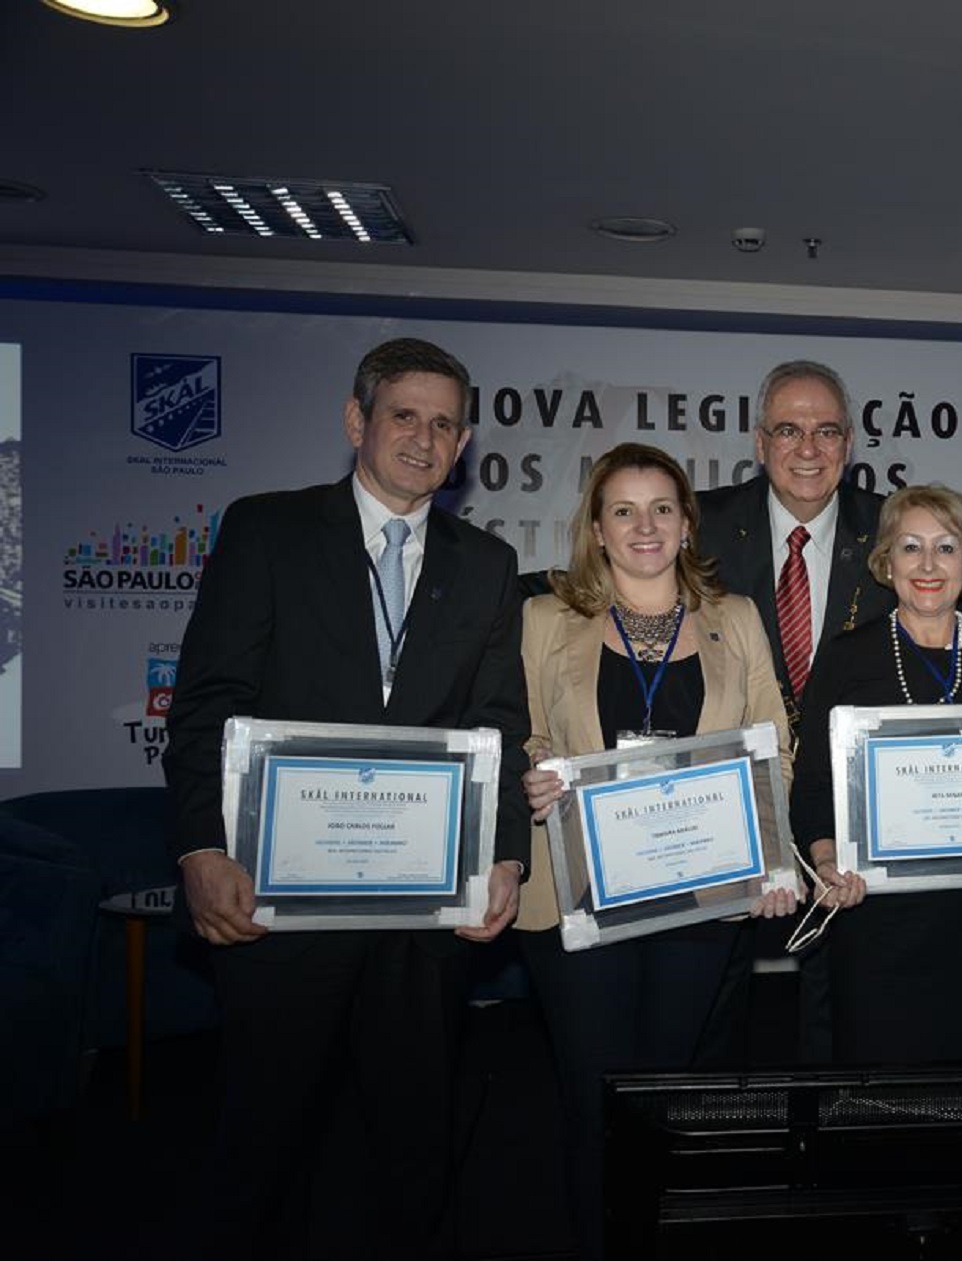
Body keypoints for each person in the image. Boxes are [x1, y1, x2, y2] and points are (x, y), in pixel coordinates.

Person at [161, 336, 530, 1260]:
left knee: (411, 1157)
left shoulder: (488, 563)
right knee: (262, 1148)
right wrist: (200, 847)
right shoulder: (268, 530)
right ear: (356, 419)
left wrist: (504, 856)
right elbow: (207, 702)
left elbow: (497, 725)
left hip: (421, 916)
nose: (424, 438)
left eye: (444, 424)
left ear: (464, 442)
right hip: (277, 903)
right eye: (404, 415)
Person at [695, 358, 962, 1060]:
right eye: (788, 430)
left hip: (863, 837)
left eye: (826, 431)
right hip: (738, 796)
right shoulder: (700, 525)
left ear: (849, 443)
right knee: (709, 1007)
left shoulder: (887, 520)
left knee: (846, 1015)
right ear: (759, 441)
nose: (808, 448)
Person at [514, 441, 797, 1261]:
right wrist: (535, 771)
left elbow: (774, 748)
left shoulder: (736, 617)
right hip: (580, 896)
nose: (646, 526)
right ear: (597, 529)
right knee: (594, 1093)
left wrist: (772, 856)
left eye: (662, 508)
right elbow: (521, 729)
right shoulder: (544, 618)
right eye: (625, 510)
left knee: (666, 1093)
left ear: (686, 523)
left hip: (698, 897)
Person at [788, 483, 962, 1063]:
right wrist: (826, 860)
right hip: (878, 924)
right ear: (886, 562)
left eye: (946, 548)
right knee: (883, 1089)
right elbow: (812, 784)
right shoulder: (846, 657)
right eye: (910, 547)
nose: (927, 565)